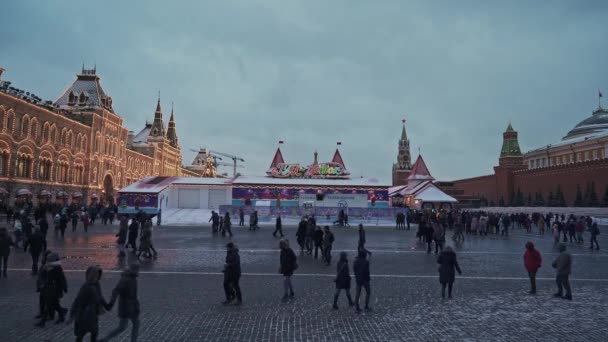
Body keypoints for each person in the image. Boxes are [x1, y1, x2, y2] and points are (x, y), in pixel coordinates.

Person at [99, 264, 140, 342]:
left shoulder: (133, 278)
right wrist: (111, 303)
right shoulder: (126, 279)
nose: (138, 271)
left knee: (134, 324)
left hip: (132, 306)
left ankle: (105, 339)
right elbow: (115, 291)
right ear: (132, 269)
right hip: (126, 307)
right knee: (123, 327)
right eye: (137, 269)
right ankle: (105, 339)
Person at [68, 266, 109, 342]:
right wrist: (72, 315)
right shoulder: (86, 287)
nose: (97, 277)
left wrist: (107, 306)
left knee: (94, 332)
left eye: (98, 275)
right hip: (84, 315)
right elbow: (78, 301)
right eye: (96, 275)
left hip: (93, 313)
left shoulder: (97, 284)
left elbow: (100, 296)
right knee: (82, 334)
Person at [36, 252, 68, 327]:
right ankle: (61, 315)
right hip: (50, 288)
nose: (47, 260)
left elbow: (61, 279)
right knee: (54, 304)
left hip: (54, 289)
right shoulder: (49, 267)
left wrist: (64, 288)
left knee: (49, 304)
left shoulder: (56, 268)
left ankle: (43, 321)